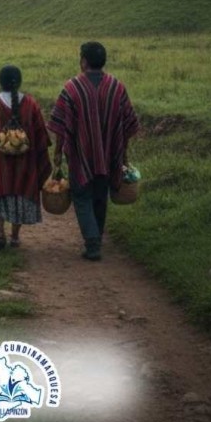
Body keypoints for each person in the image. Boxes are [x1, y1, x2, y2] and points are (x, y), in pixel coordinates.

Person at [48, 41, 140, 261]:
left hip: (81, 156)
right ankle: (96, 236)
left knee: (81, 197)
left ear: (83, 61)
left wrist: (58, 154)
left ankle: (92, 243)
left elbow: (61, 126)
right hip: (110, 155)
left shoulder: (71, 89)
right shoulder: (117, 87)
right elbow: (128, 124)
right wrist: (123, 152)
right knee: (101, 196)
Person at [0, 65, 51, 250]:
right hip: (25, 167)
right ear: (19, 82)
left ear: (0, 81)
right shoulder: (31, 104)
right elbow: (41, 139)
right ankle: (15, 236)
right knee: (20, 194)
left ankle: (0, 234)